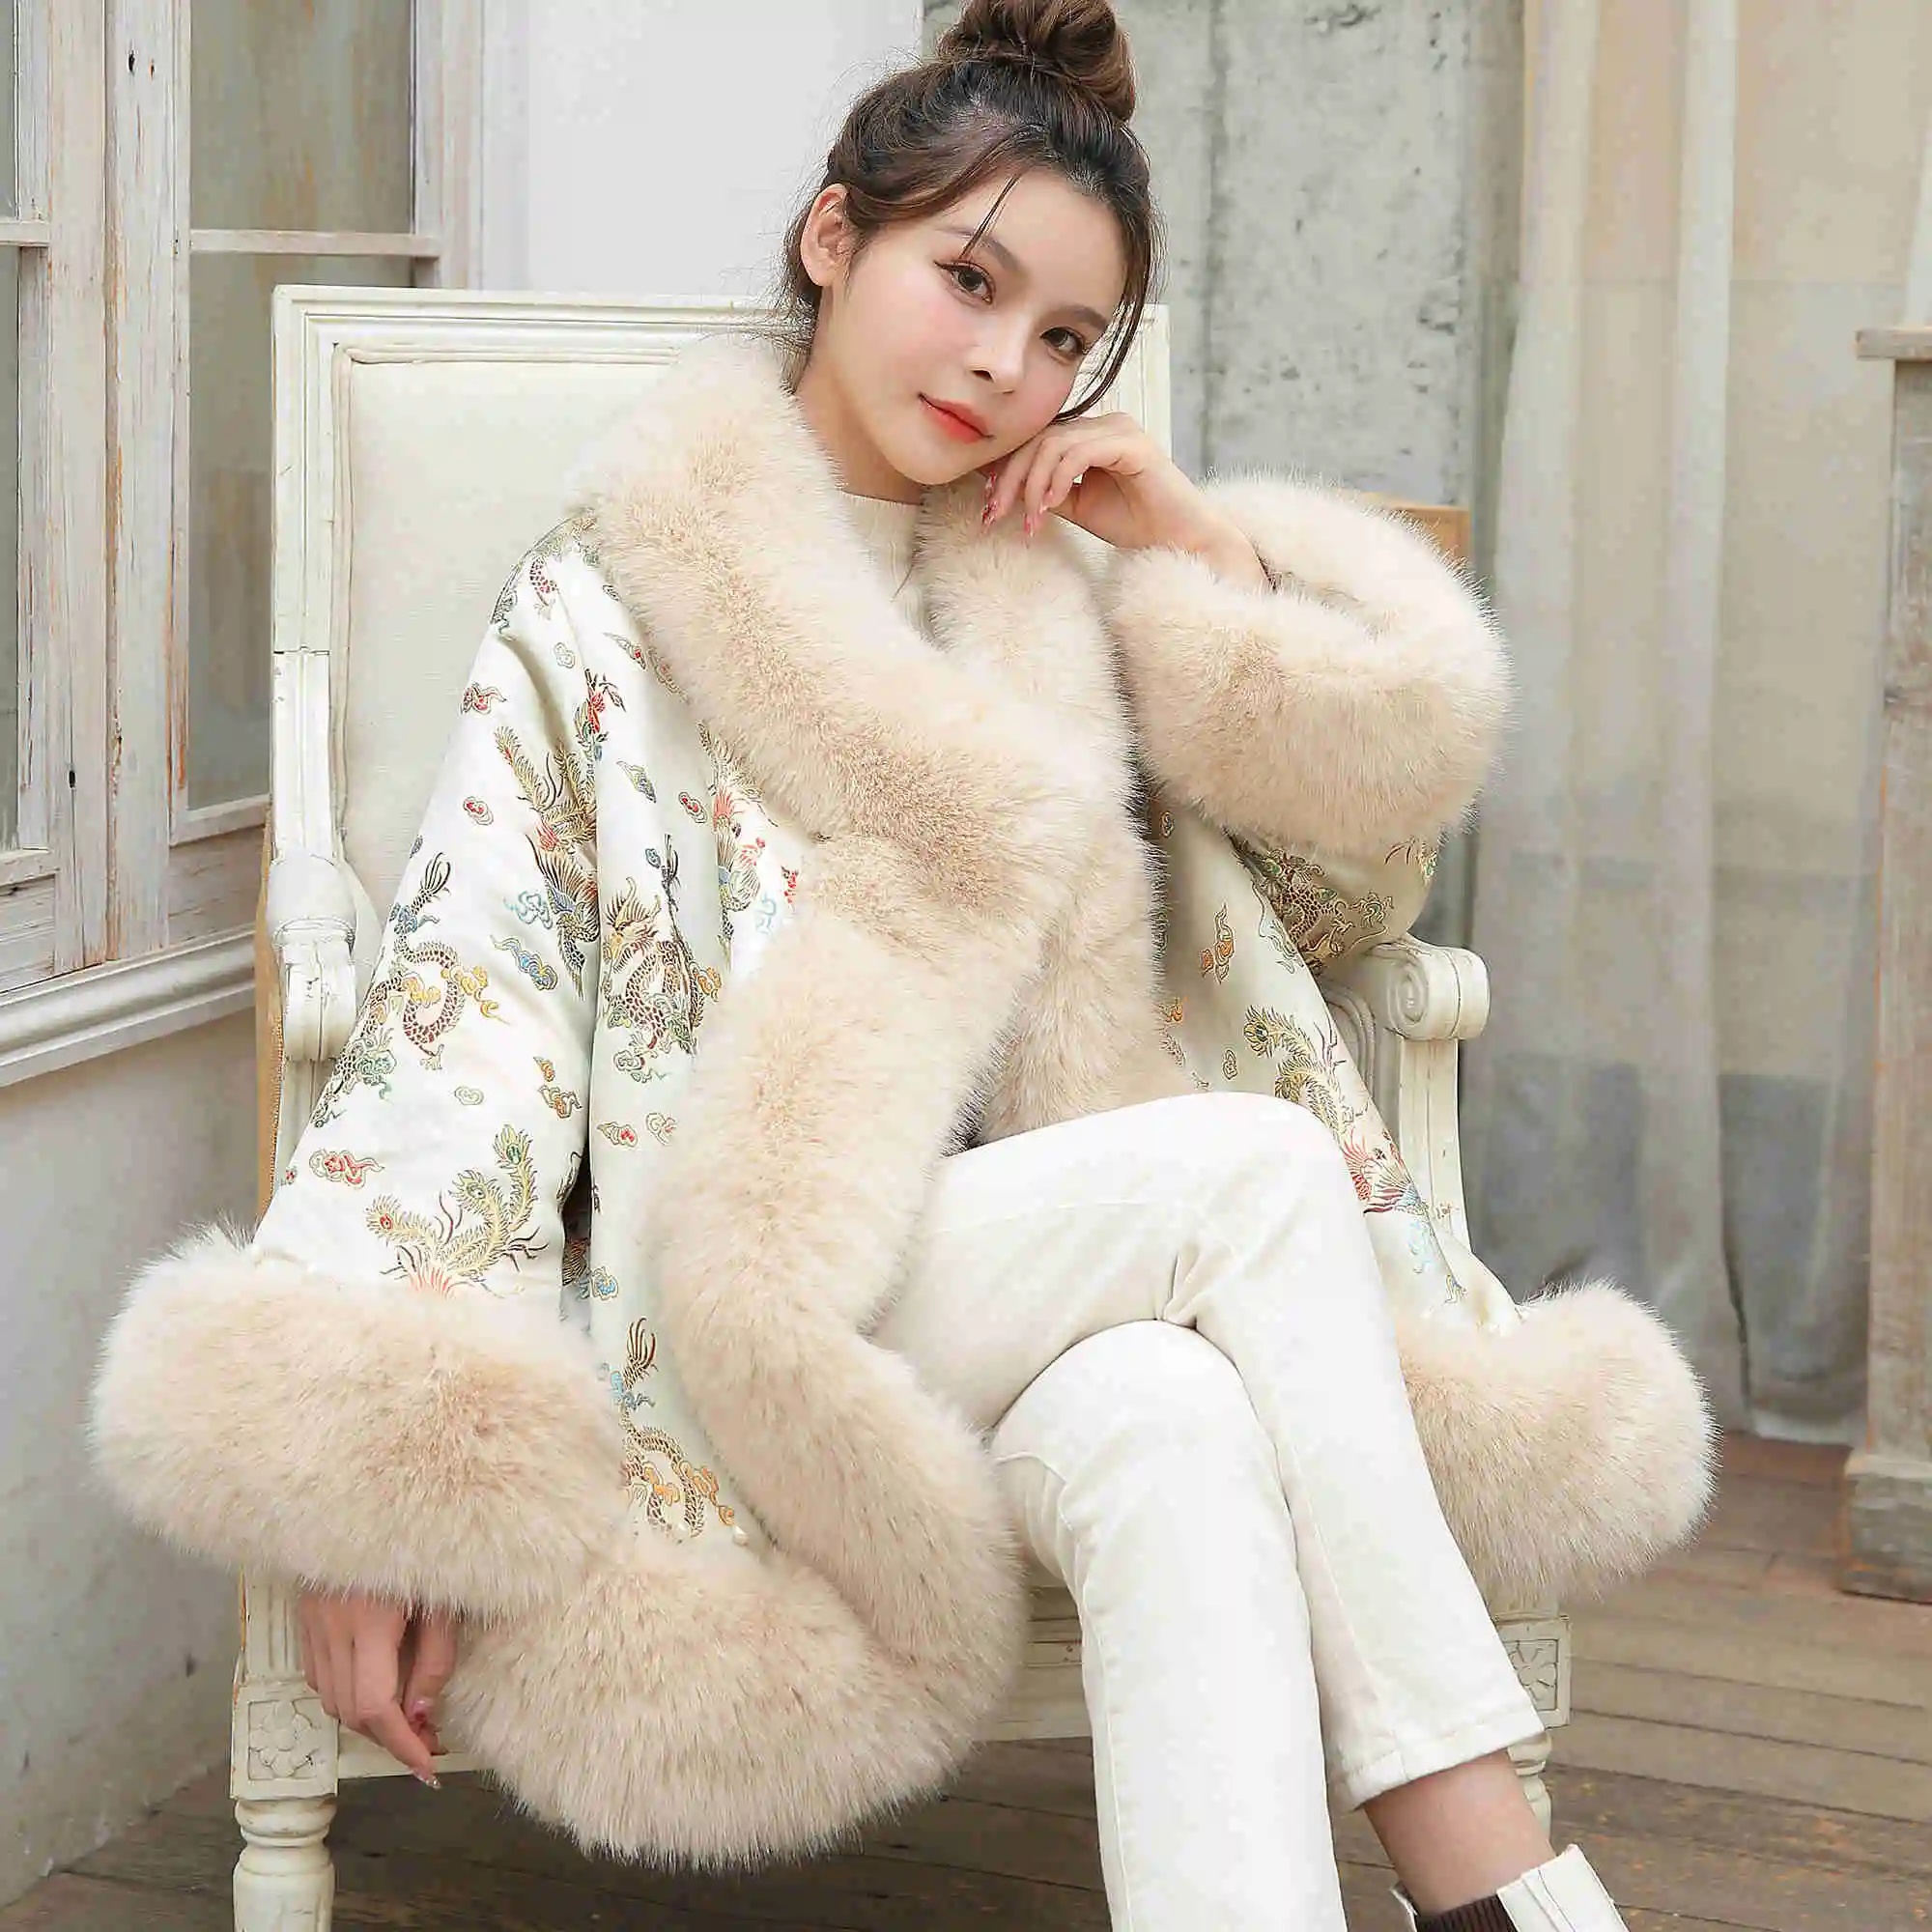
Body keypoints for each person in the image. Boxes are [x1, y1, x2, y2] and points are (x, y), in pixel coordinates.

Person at [90, 3, 1713, 1926]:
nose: (1006, 365)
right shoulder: (609, 597)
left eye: (1066, 338)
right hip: (757, 1313)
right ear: (831, 236)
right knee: (1260, 1174)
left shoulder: (1060, 585)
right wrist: (380, 1484)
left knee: (1176, 1427)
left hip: (1047, 1281)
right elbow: (475, 1008)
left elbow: (1342, 914)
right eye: (969, 281)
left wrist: (1191, 548)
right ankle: (1493, 1881)